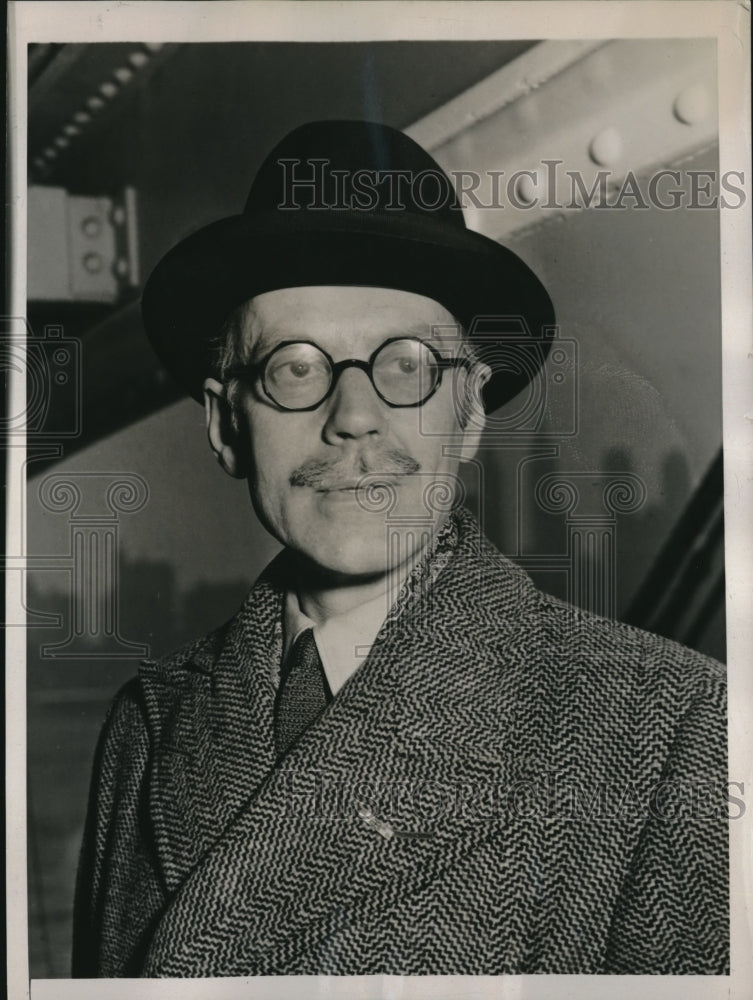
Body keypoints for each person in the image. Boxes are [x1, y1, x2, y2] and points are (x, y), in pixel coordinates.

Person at [72, 120, 728, 977]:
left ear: (470, 414)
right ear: (225, 424)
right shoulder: (145, 726)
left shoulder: (673, 729)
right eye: (296, 367)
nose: (352, 415)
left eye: (407, 364)